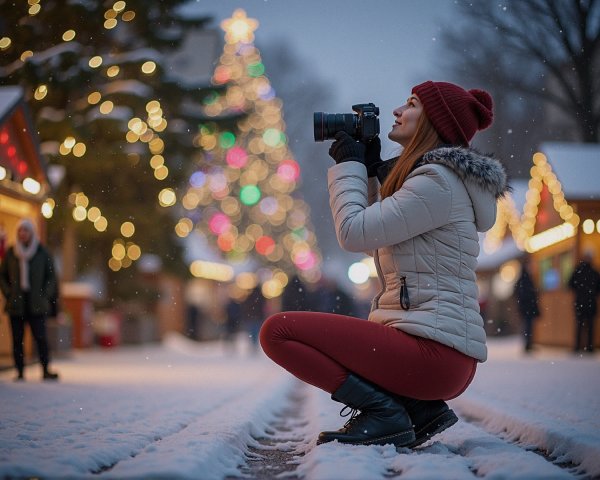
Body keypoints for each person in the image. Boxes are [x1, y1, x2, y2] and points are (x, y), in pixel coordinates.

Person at [260, 81, 507, 448]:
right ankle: (416, 410)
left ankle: (384, 413)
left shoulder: (438, 182)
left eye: (411, 104)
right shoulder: (437, 181)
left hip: (433, 355)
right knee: (288, 332)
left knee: (277, 332)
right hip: (437, 354)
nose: (396, 110)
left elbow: (353, 232)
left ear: (433, 123)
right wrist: (376, 172)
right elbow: (374, 238)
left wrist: (349, 165)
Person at [0, 219, 59, 381]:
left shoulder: (42, 252)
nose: (22, 234)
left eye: (25, 231)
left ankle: (45, 369)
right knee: (17, 339)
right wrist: (9, 293)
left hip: (36, 303)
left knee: (40, 337)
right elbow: (3, 276)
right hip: (16, 303)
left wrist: (44, 295)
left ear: (31, 233)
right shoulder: (11, 253)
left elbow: (51, 277)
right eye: (20, 231)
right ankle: (19, 371)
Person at [568, 252, 600, 353]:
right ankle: (589, 347)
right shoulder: (594, 272)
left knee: (580, 325)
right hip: (591, 303)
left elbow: (570, 284)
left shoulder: (578, 271)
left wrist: (579, 291)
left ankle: (578, 346)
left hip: (580, 302)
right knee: (590, 326)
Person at [513, 257, 540, 353]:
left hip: (526, 307)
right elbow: (521, 293)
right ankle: (528, 344)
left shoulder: (524, 279)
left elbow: (516, 292)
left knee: (528, 326)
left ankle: (528, 344)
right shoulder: (526, 279)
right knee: (528, 326)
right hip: (527, 307)